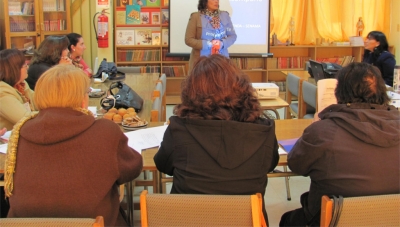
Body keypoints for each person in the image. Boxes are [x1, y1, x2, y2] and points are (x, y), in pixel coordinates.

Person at [5, 65, 143, 226]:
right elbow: (132, 169)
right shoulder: (105, 131)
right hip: (94, 222)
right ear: (83, 99)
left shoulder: (19, 133)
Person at [154, 54, 279, 224]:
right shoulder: (264, 130)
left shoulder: (178, 130)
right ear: (241, 87)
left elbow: (163, 165)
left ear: (191, 92)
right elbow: (270, 165)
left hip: (188, 221)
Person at [280, 62, 400, 227]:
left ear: (339, 91)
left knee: (289, 220)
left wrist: (314, 128)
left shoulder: (323, 132)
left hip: (330, 220)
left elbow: (296, 164)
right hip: (390, 220)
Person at [185, 0, 237, 71]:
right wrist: (208, 44)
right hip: (201, 62)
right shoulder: (196, 17)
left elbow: (233, 36)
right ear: (205, 1)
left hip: (222, 61)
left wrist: (222, 43)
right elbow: (188, 40)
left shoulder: (225, 15)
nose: (216, 1)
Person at [0, 49, 36, 131]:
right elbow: (25, 119)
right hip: (8, 141)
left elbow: (39, 100)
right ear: (14, 69)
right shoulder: (2, 92)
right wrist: (50, 115)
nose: (28, 67)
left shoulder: (21, 84)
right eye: (24, 65)